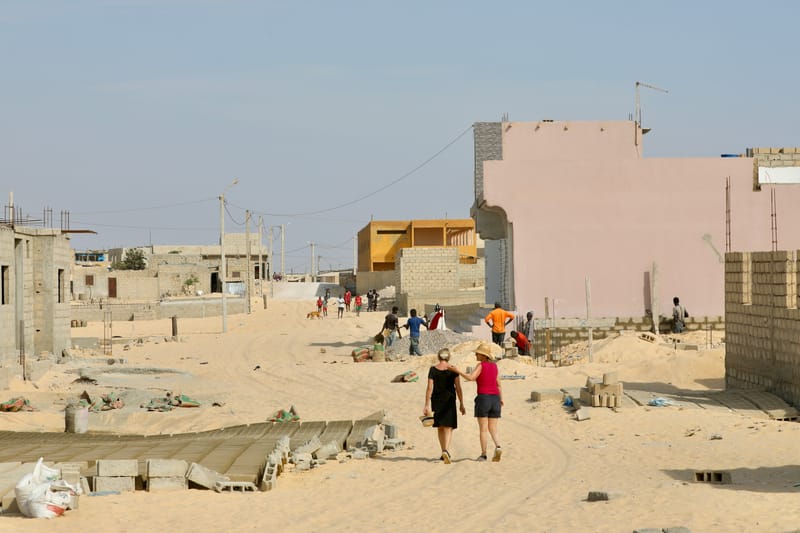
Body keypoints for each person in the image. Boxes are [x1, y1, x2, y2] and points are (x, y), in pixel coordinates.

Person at [449, 342, 503, 462]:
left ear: (484, 356)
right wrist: (501, 399)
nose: (476, 355)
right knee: (493, 428)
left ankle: (483, 454)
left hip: (484, 398)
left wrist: (458, 371)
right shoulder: (495, 366)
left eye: (477, 354)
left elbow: (471, 378)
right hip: (495, 399)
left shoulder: (481, 365)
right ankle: (498, 446)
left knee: (483, 429)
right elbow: (498, 384)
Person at [423, 348, 466, 463]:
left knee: (440, 426)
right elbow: (458, 388)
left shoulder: (433, 369)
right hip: (449, 400)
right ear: (448, 357)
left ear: (439, 357)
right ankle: (446, 450)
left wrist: (426, 404)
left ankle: (443, 451)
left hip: (436, 400)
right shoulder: (453, 370)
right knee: (449, 427)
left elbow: (429, 388)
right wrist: (462, 403)